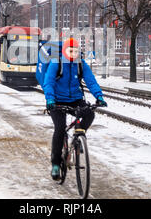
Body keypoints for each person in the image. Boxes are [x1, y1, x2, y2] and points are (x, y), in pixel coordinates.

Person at [43, 38, 107, 181]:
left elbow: (90, 81)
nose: (73, 53)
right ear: (65, 51)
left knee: (89, 114)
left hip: (75, 99)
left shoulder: (80, 64)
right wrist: (50, 100)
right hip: (57, 101)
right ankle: (55, 164)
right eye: (70, 50)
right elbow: (48, 82)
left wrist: (99, 96)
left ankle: (79, 134)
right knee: (60, 128)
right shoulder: (56, 63)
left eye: (76, 51)